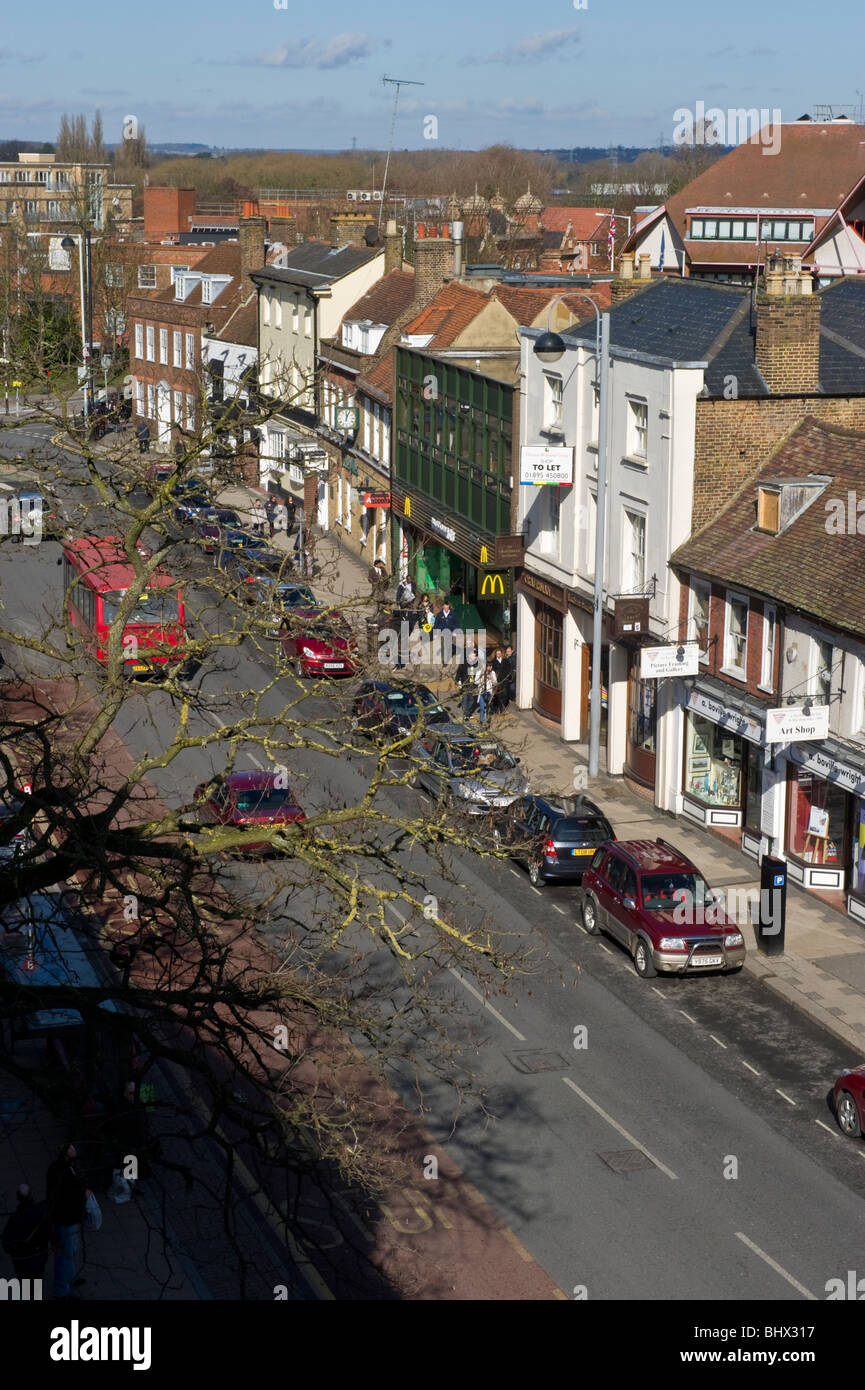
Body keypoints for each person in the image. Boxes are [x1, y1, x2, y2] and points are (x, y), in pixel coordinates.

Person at [46, 1143, 89, 1300]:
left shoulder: (56, 1168)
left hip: (66, 1219)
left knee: (69, 1253)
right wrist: (83, 1194)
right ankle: (61, 1291)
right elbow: (70, 1197)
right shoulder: (64, 1175)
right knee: (64, 1257)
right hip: (66, 1220)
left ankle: (70, 1278)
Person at [1, 1184, 50, 1285]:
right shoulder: (42, 1211)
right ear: (31, 1195)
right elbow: (50, 1232)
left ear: (18, 1198)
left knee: (26, 1286)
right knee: (37, 1279)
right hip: (39, 1257)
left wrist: (16, 1252)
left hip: (22, 1262)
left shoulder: (14, 1219)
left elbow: (6, 1246)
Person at [456, 645, 482, 719]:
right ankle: (466, 714)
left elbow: (478, 671)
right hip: (465, 683)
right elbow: (459, 672)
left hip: (472, 683)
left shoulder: (476, 663)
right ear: (469, 655)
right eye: (474, 654)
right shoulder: (464, 663)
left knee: (471, 699)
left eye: (475, 655)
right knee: (465, 698)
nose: (475, 656)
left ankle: (468, 712)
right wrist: (457, 681)